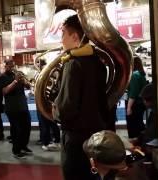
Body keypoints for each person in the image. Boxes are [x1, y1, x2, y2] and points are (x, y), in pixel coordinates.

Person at [53, 15, 109, 180]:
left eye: (63, 33)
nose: (61, 39)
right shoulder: (98, 63)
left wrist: (54, 109)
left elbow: (65, 109)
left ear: (75, 37)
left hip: (75, 139)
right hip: (96, 135)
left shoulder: (72, 64)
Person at [0, 59, 32, 159]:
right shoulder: (2, 77)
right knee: (17, 130)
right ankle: (16, 151)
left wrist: (24, 82)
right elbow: (5, 91)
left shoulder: (17, 74)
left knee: (27, 127)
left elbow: (28, 86)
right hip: (12, 108)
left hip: (23, 106)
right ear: (6, 66)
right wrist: (15, 81)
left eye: (13, 66)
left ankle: (23, 146)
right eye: (10, 66)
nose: (12, 68)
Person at [126, 56, 147, 140]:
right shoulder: (141, 74)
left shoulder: (134, 75)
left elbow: (133, 93)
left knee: (133, 125)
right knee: (139, 123)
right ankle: (140, 141)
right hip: (140, 103)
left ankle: (136, 144)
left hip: (135, 103)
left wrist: (129, 107)